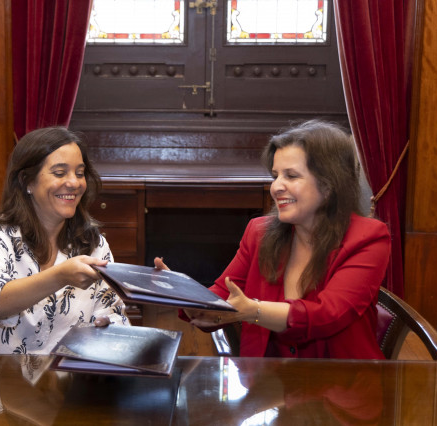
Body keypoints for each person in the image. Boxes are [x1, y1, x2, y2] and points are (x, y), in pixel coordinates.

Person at [157, 119, 391, 359]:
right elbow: (225, 294)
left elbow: (328, 314)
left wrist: (253, 311)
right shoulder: (258, 231)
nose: (276, 187)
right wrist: (186, 297)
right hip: (264, 384)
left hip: (343, 385)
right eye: (275, 175)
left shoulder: (369, 238)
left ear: (329, 184)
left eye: (291, 175)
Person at [0, 127, 129, 354]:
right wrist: (60, 276)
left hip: (70, 380)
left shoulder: (93, 243)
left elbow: (114, 313)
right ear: (27, 182)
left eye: (80, 173)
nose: (74, 183)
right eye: (60, 173)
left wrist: (107, 325)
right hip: (1, 380)